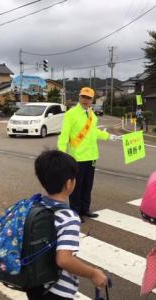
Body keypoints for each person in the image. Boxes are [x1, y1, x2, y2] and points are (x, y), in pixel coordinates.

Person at [0, 150, 108, 299]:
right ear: (69, 183)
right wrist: (93, 273)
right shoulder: (69, 217)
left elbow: (14, 243)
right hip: (57, 292)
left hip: (34, 285)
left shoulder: (32, 207)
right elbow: (64, 260)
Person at [57, 87, 118, 223]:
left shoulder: (92, 115)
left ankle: (85, 209)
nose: (86, 100)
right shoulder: (71, 114)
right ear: (79, 97)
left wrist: (110, 137)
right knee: (76, 187)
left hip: (91, 156)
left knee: (87, 185)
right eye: (84, 97)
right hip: (77, 157)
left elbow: (94, 132)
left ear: (92, 100)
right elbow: (64, 135)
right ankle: (75, 212)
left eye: (89, 98)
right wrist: (61, 154)